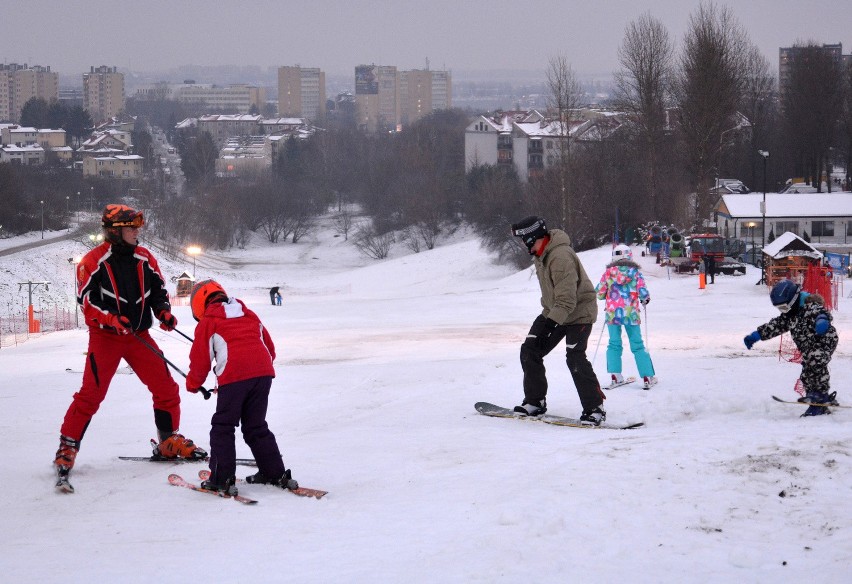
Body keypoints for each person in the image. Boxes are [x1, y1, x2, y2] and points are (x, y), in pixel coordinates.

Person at [54, 205, 207, 485]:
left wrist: (162, 312)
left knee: (166, 388)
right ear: (116, 230)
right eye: (132, 227)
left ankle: (168, 441)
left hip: (139, 336)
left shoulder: (144, 257)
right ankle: (67, 447)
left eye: (137, 226)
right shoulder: (93, 261)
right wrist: (111, 318)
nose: (137, 231)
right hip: (106, 338)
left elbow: (158, 289)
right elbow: (86, 303)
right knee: (91, 395)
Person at [187, 279, 298, 495]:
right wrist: (253, 372)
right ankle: (274, 472)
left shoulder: (209, 321)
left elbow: (200, 360)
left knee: (223, 426)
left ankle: (222, 479)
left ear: (198, 304)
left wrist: (193, 384)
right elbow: (269, 348)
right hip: (263, 374)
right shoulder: (248, 314)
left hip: (236, 378)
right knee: (256, 426)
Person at [510, 216, 606, 425]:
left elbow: (567, 300)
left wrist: (549, 326)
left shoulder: (560, 257)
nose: (526, 247)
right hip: (554, 311)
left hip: (579, 313)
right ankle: (535, 402)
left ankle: (595, 408)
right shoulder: (541, 254)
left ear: (533, 238)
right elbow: (555, 298)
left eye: (526, 242)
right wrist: (547, 323)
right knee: (530, 350)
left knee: (575, 357)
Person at [743, 279, 839, 416]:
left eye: (784, 308)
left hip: (824, 340)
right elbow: (775, 326)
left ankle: (820, 398)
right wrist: (756, 335)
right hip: (808, 346)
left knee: (816, 361)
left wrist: (822, 320)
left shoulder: (810, 307)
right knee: (807, 373)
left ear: (793, 300)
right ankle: (813, 396)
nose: (783, 311)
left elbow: (821, 313)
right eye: (780, 308)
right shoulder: (790, 316)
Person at [596, 244, 658, 389]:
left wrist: (607, 293)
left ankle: (615, 375)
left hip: (613, 314)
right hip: (631, 314)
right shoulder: (635, 272)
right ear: (629, 256)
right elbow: (642, 290)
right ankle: (647, 376)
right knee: (637, 344)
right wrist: (645, 298)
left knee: (614, 343)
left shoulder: (608, 273)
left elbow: (599, 293)